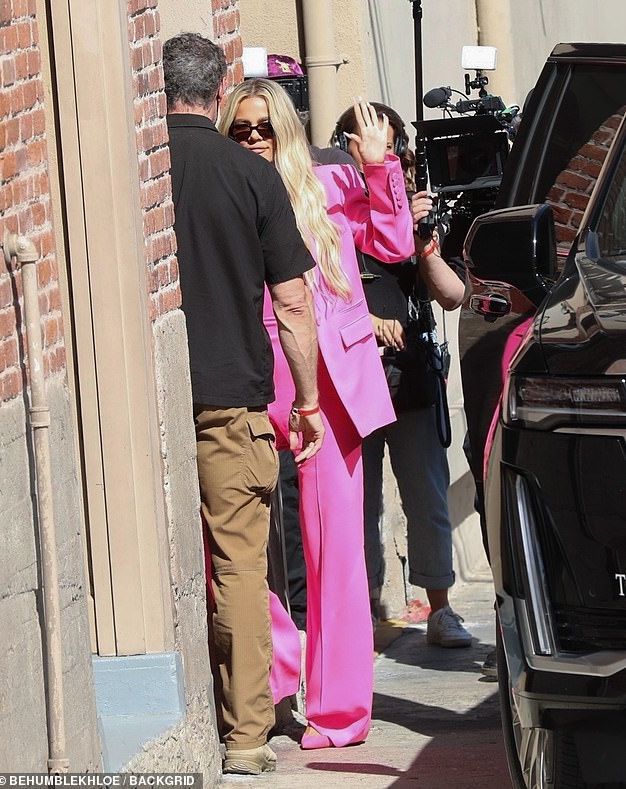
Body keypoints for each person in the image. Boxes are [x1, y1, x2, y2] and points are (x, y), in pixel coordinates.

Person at [219, 80, 414, 748]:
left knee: (337, 553)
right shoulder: (228, 192)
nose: (251, 142)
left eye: (261, 130)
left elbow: (392, 243)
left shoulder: (327, 185)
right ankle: (282, 662)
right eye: (239, 132)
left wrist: (382, 166)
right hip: (253, 378)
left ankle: (338, 711)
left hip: (330, 386)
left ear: (285, 133)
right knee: (231, 536)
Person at [163, 34, 326, 776]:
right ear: (218, 86)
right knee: (238, 568)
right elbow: (293, 302)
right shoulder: (250, 176)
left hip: (149, 400)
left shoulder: (140, 169)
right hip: (232, 399)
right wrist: (309, 402)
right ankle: (246, 734)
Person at [331, 102, 473, 648]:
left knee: (427, 496)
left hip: (410, 376)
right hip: (351, 376)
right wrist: (367, 321)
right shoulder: (334, 216)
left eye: (393, 152)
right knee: (360, 503)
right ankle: (364, 611)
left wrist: (424, 243)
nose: (383, 161)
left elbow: (454, 294)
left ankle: (440, 607)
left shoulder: (416, 219)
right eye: (369, 148)